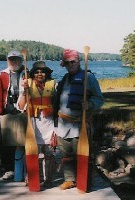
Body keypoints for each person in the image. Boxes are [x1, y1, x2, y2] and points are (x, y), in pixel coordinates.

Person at [53, 49, 104, 190]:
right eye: (67, 63)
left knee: (82, 155)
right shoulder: (64, 79)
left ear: (78, 62)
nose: (70, 65)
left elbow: (99, 99)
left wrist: (90, 104)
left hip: (78, 124)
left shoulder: (89, 78)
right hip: (63, 124)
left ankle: (84, 181)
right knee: (66, 155)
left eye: (73, 62)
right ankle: (70, 179)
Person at [18, 61, 56, 188]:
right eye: (37, 72)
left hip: (49, 124)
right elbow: (21, 106)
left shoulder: (53, 85)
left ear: (46, 73)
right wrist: (24, 92)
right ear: (33, 74)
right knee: (34, 153)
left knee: (49, 154)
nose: (40, 74)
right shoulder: (26, 84)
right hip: (33, 124)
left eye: (42, 72)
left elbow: (58, 104)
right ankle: (33, 178)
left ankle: (49, 179)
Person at [0, 50, 27, 181]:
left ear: (21, 60)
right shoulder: (2, 74)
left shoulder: (27, 73)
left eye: (16, 59)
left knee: (23, 142)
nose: (14, 62)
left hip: (24, 109)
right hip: (8, 110)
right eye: (11, 59)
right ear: (7, 60)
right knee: (7, 143)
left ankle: (23, 169)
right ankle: (8, 169)